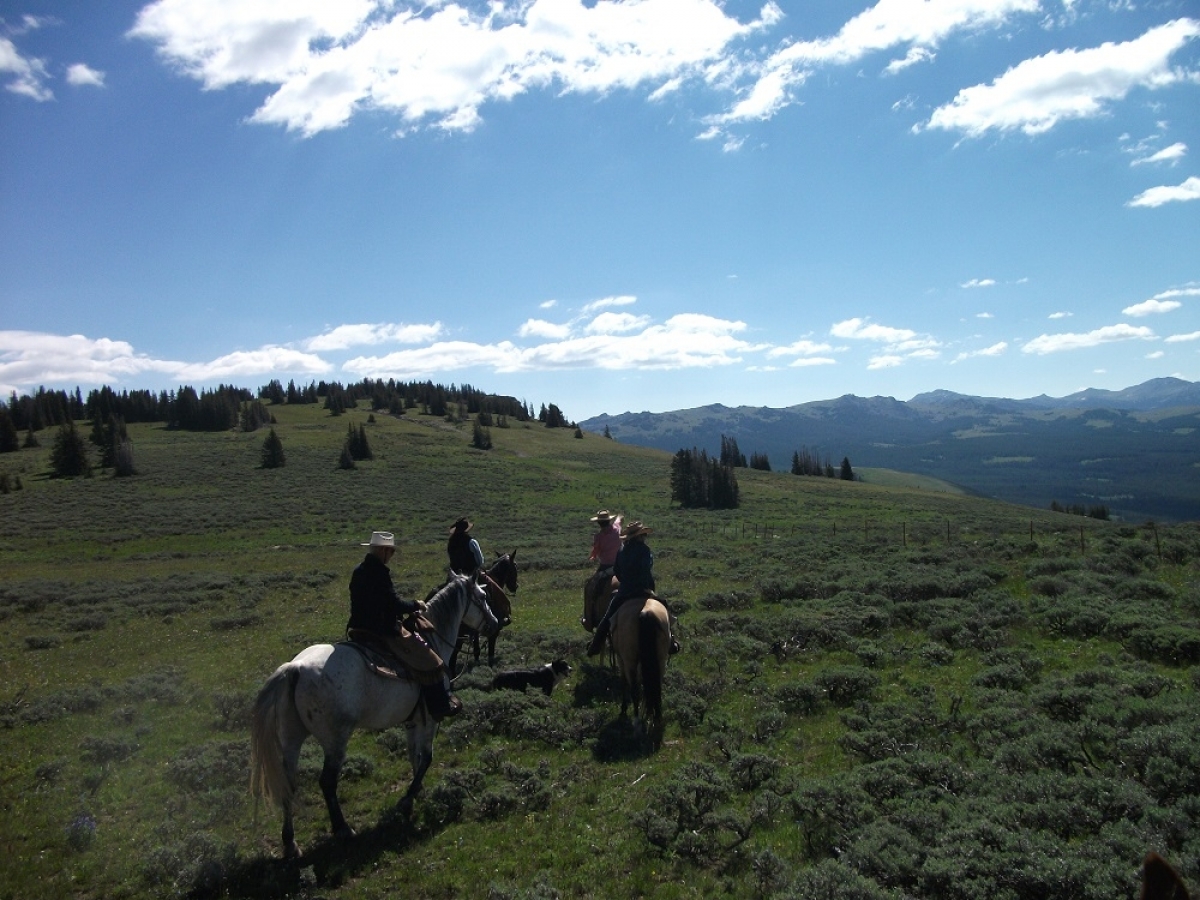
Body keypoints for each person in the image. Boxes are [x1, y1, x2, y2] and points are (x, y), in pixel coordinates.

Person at [346, 531, 461, 720]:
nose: (391, 555)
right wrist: (416, 605)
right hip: (382, 629)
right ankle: (439, 706)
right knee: (430, 660)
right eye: (391, 551)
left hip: (359, 628)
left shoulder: (359, 570)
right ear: (383, 551)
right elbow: (393, 604)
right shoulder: (379, 572)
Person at [587, 520, 656, 657]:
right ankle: (671, 641)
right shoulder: (645, 550)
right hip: (644, 590)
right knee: (664, 609)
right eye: (643, 535)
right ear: (640, 536)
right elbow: (646, 569)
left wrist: (625, 582)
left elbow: (617, 571)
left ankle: (595, 645)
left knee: (607, 619)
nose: (645, 537)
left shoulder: (622, 550)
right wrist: (646, 586)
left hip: (625, 592)